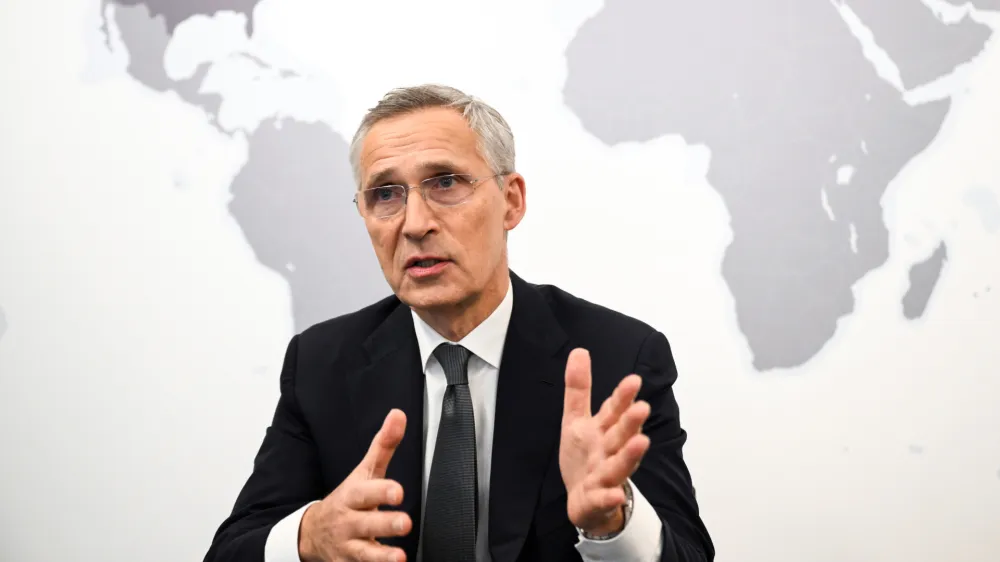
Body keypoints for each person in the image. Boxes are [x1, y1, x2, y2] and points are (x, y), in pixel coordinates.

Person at [203, 84, 714, 562]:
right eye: (385, 194)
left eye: (445, 183)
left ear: (511, 201)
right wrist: (308, 536)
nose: (415, 222)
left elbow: (690, 552)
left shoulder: (618, 358)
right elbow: (232, 549)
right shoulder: (321, 362)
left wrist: (612, 522)